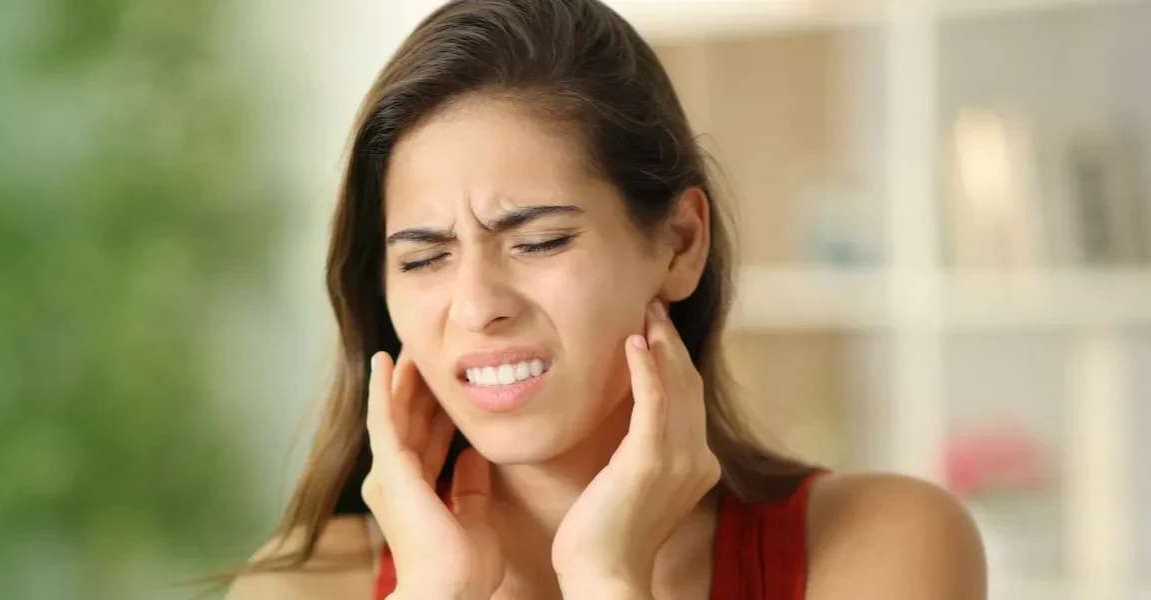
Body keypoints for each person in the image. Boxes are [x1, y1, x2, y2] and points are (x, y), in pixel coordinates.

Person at [223, 1, 985, 598]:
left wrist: (608, 578)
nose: (477, 304)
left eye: (540, 242)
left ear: (681, 243)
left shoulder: (882, 545)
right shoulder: (296, 587)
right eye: (424, 257)